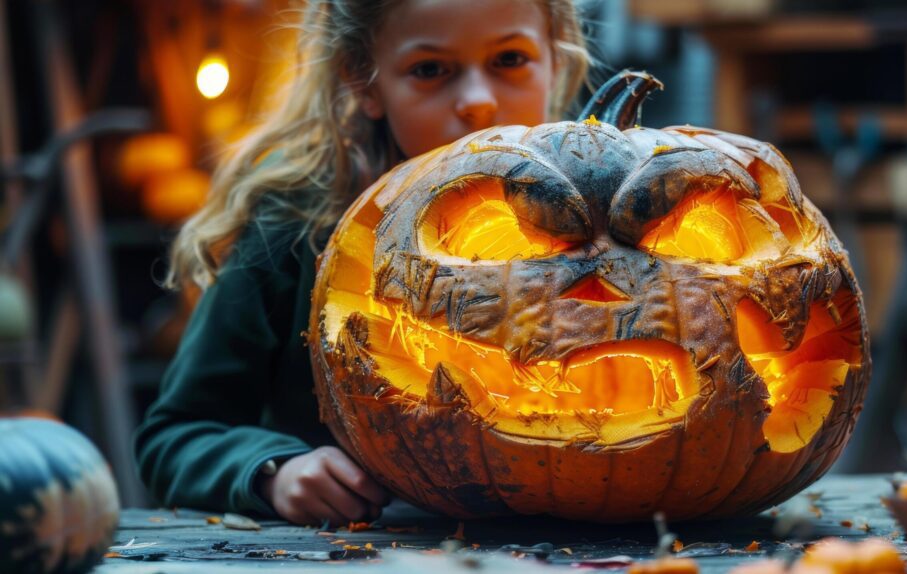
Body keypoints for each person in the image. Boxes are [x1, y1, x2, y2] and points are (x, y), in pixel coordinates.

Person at [134, 0, 591, 527]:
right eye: (430, 70)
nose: (477, 102)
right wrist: (272, 471)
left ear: (555, 60)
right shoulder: (292, 221)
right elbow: (173, 436)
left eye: (510, 60)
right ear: (365, 83)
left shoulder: (616, 215)